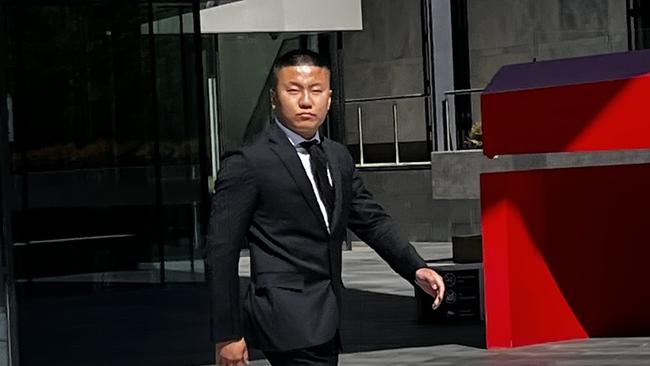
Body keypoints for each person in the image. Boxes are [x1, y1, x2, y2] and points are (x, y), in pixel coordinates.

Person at [206, 49, 445, 366]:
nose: (306, 101)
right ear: (274, 98)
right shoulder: (248, 163)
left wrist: (415, 267)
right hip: (284, 317)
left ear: (329, 98)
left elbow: (371, 220)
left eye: (316, 91)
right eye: (294, 90)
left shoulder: (337, 156)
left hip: (328, 314)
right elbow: (220, 252)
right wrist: (227, 333)